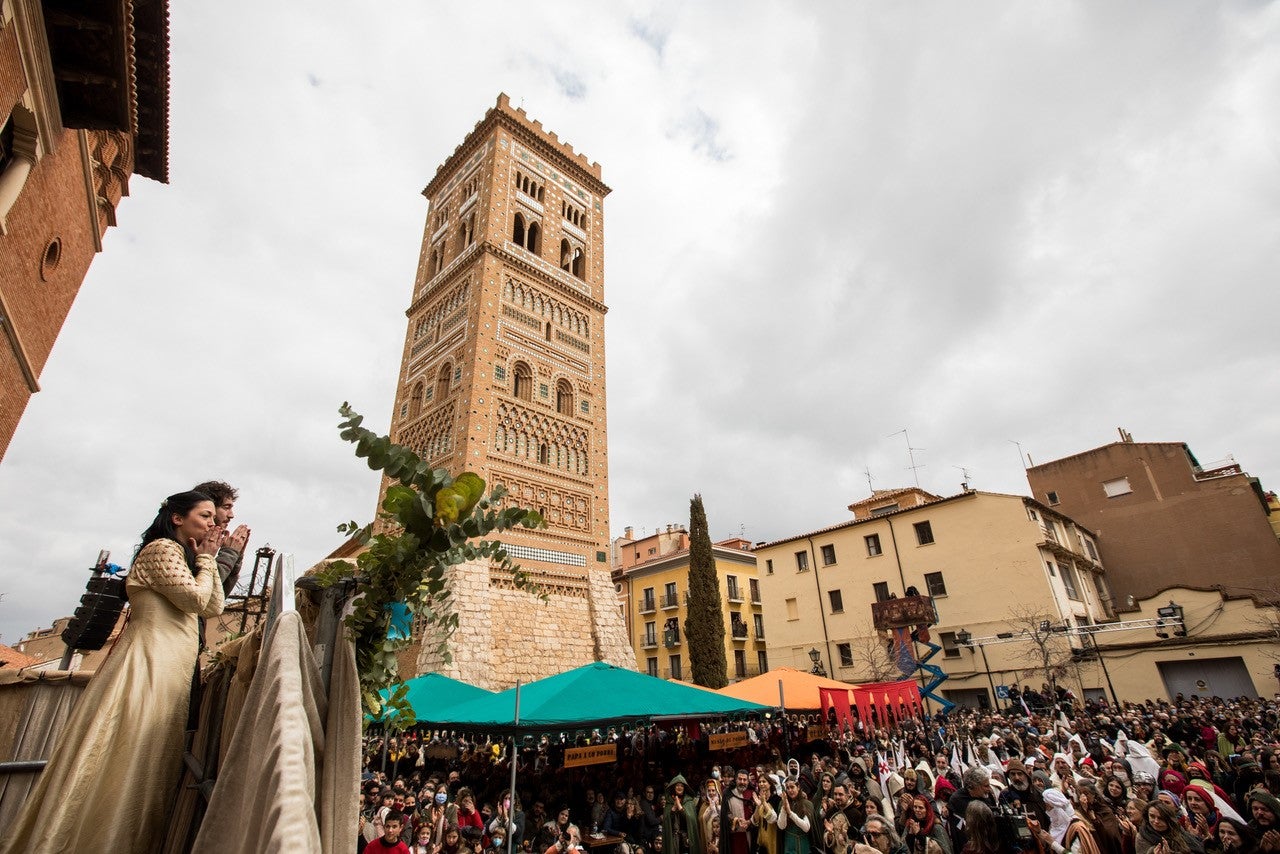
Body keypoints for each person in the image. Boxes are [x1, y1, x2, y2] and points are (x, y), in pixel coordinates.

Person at [1, 490, 226, 854]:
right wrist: (209, 560)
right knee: (125, 746)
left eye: (215, 518)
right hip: (149, 660)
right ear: (177, 518)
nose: (213, 524)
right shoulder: (161, 550)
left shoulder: (191, 558)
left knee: (148, 754)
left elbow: (213, 606)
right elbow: (197, 600)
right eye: (206, 515)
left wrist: (207, 561)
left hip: (171, 665)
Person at [192, 479, 251, 594]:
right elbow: (202, 594)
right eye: (226, 507)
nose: (231, 515)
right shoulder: (188, 543)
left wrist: (236, 558)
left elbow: (217, 599)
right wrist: (230, 553)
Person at [721, 770, 756, 854]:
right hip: (734, 835)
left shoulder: (753, 793)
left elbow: (757, 813)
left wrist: (749, 822)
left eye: (745, 780)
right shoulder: (728, 793)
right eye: (740, 779)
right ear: (735, 780)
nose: (742, 782)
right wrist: (736, 820)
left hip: (750, 834)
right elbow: (725, 813)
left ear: (748, 781)